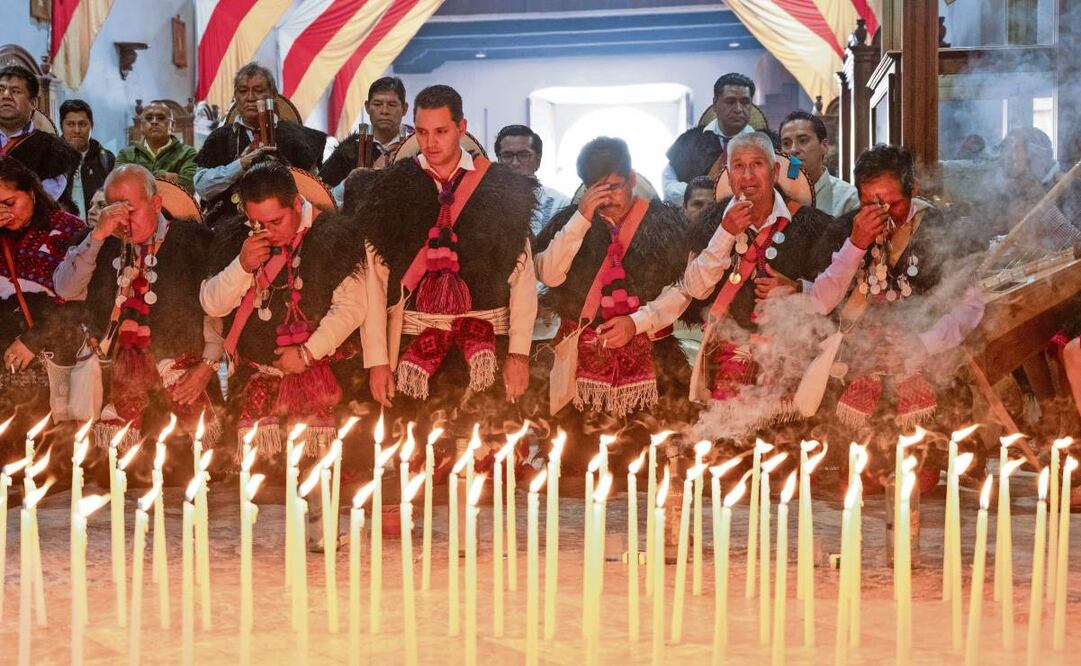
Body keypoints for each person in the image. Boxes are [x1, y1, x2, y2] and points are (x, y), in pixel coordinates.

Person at [361, 84, 537, 438]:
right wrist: (378, 361)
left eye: (441, 131)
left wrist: (518, 355)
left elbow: (523, 278)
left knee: (487, 465)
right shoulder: (391, 188)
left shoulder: (503, 189)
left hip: (488, 345)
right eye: (423, 132)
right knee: (421, 464)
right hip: (415, 345)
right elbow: (375, 282)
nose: (430, 142)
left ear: (461, 127)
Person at [629, 132, 836, 427]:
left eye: (757, 165)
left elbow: (833, 296)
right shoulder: (710, 224)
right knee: (730, 456)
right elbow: (696, 289)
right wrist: (725, 232)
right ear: (728, 172)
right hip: (727, 362)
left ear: (775, 170)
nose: (748, 175)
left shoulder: (811, 225)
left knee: (787, 456)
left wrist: (796, 289)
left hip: (792, 362)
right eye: (738, 166)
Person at [803, 144, 984, 438]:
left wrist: (922, 344)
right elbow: (819, 303)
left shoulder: (942, 228)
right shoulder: (844, 230)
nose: (882, 215)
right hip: (851, 368)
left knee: (920, 475)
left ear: (913, 187)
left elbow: (971, 307)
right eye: (869, 204)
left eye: (892, 204)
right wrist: (856, 244)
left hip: (926, 366)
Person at [53, 164, 223, 457]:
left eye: (129, 209)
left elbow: (215, 313)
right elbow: (66, 289)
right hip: (114, 391)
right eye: (112, 209)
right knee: (116, 482)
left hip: (181, 384)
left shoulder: (194, 241)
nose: (120, 219)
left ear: (156, 203)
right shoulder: (97, 241)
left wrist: (206, 367)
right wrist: (97, 237)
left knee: (185, 479)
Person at [200, 160, 365, 459]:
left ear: (297, 203)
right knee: (262, 488)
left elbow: (351, 308)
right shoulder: (236, 238)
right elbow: (212, 303)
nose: (267, 232)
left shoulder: (334, 236)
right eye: (257, 223)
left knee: (321, 483)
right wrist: (242, 265)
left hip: (323, 381)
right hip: (255, 382)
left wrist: (307, 353)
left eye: (276, 222)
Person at [533, 137, 690, 436]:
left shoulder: (664, 223)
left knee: (648, 460)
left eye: (615, 187)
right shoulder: (571, 222)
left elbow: (682, 288)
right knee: (579, 461)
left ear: (631, 178)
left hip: (654, 357)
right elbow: (550, 276)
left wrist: (636, 323)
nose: (607, 199)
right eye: (597, 190)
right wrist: (581, 217)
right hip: (581, 362)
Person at [0, 157, 85, 434]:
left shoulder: (70, 231)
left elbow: (83, 303)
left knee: (49, 445)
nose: (2, 212)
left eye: (9, 203)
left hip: (53, 353)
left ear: (32, 193)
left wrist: (33, 340)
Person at [194, 63, 328, 229]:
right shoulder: (219, 137)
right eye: (243, 91)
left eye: (258, 90)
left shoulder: (300, 137)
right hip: (230, 226)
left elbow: (315, 192)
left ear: (273, 95)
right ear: (236, 96)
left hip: (287, 227)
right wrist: (240, 165)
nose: (250, 98)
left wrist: (282, 166)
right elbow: (202, 187)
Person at [662, 73, 757, 205]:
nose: (738, 109)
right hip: (699, 221)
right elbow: (669, 188)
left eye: (745, 102)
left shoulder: (765, 144)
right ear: (715, 104)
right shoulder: (690, 142)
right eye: (730, 101)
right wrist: (704, 194)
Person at [0, 65, 78, 208]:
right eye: (1, 90)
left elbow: (42, 202)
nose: (6, 95)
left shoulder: (54, 151)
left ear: (33, 103)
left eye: (15, 91)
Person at [321, 77, 413, 188]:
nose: (384, 111)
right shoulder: (349, 150)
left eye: (392, 105)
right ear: (367, 107)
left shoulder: (418, 146)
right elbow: (321, 192)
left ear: (404, 108)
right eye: (377, 104)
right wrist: (344, 187)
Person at [779, 110, 859, 218]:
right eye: (786, 143)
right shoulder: (776, 197)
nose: (793, 150)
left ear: (824, 146)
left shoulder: (847, 198)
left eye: (803, 141)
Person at [494, 124, 570, 234]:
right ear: (499, 161)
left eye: (524, 155)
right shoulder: (488, 204)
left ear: (537, 160)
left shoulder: (560, 204)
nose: (515, 163)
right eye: (507, 156)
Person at [116, 101, 199, 193]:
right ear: (142, 125)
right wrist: (167, 177)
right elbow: (120, 186)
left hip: (173, 207)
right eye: (149, 118)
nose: (154, 122)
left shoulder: (188, 153)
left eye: (161, 118)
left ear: (173, 125)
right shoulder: (126, 154)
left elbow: (188, 187)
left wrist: (139, 176)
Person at [59, 99, 115, 218]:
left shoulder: (106, 159)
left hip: (98, 230)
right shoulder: (51, 159)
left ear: (91, 126)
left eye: (82, 124)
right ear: (61, 126)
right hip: (61, 231)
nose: (77, 130)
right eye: (70, 124)